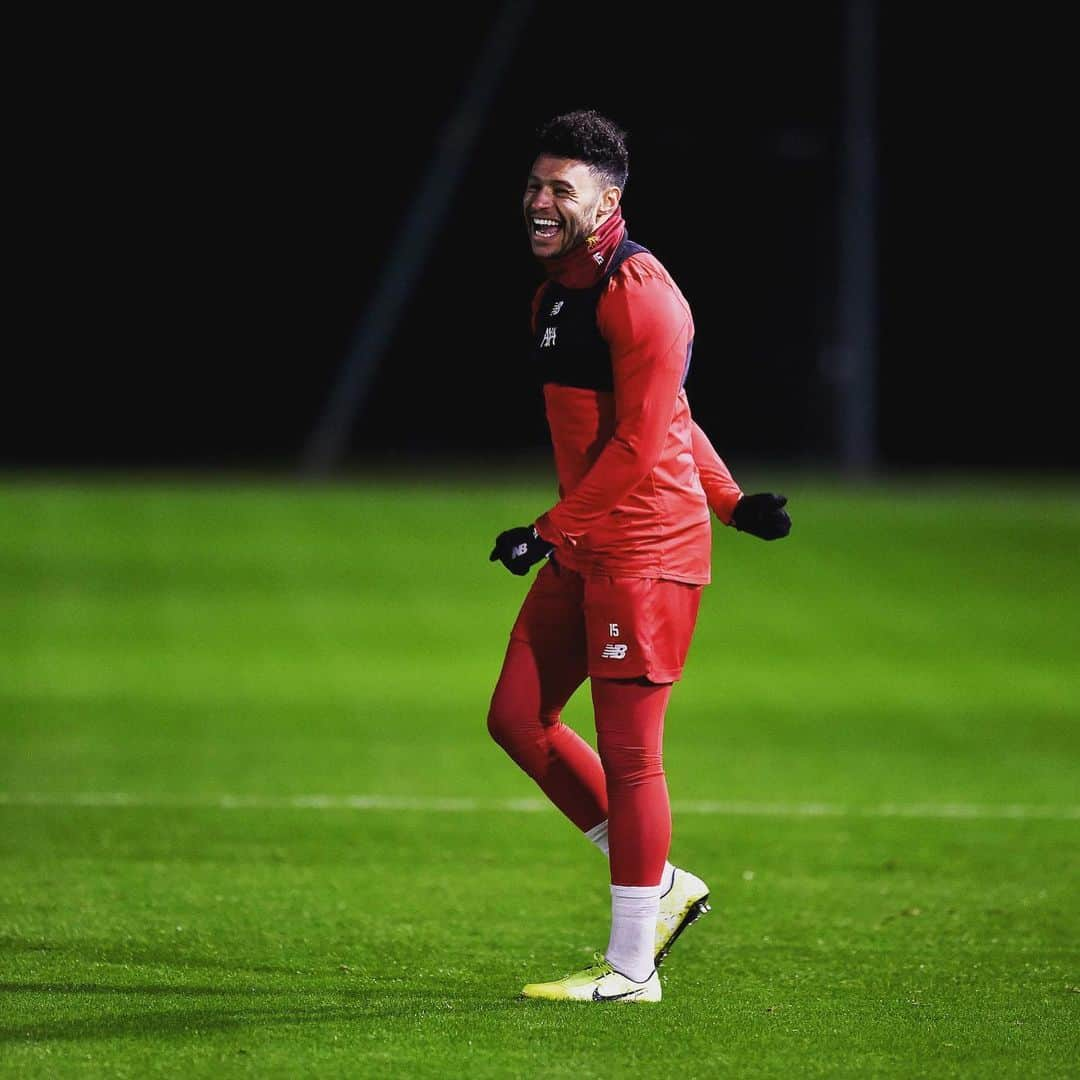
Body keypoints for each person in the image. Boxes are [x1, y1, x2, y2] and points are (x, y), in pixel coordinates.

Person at [487, 109, 791, 1004]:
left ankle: (630, 969)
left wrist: (547, 528)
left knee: (632, 754)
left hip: (645, 550)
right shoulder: (554, 292)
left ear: (607, 200)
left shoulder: (642, 294)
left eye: (561, 190)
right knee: (516, 719)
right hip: (587, 544)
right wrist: (732, 498)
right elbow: (675, 417)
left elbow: (644, 439)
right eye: (536, 185)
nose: (541, 203)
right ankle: (659, 886)